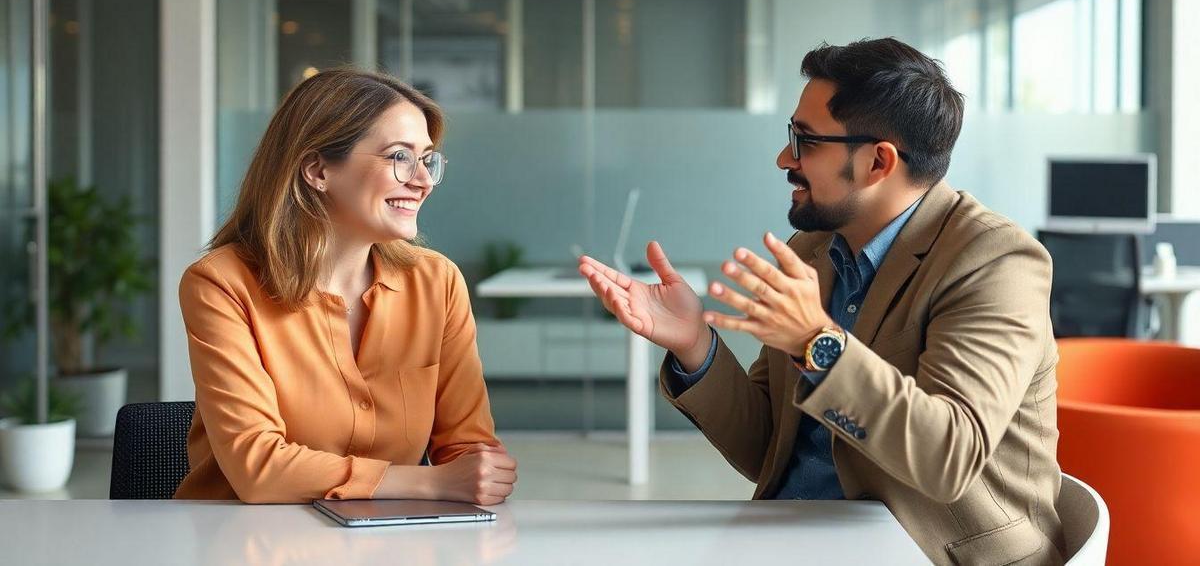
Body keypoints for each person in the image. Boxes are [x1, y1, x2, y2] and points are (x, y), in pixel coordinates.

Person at [579, 38, 1065, 565]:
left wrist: (817, 342)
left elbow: (949, 457)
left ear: (879, 161)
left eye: (805, 141)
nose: (784, 158)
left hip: (929, 554)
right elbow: (767, 446)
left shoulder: (995, 261)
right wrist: (696, 345)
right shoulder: (813, 251)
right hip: (802, 540)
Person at [174, 68, 516, 505]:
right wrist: (433, 482)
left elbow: (468, 450)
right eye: (399, 157)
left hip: (388, 541)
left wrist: (480, 471)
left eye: (427, 159)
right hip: (245, 539)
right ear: (317, 170)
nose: (424, 180)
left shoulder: (438, 283)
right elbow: (257, 468)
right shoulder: (221, 284)